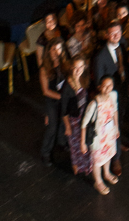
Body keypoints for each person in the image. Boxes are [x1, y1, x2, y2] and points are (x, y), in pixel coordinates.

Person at [81, 74, 120, 196]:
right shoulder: (94, 104)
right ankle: (98, 181)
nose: (108, 88)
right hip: (98, 137)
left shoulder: (113, 96)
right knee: (97, 160)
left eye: (110, 85)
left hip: (109, 134)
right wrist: (83, 143)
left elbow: (114, 111)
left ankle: (107, 173)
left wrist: (116, 127)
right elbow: (84, 124)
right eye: (105, 86)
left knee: (108, 155)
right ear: (99, 87)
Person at [61, 56, 91, 179]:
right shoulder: (67, 87)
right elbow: (63, 110)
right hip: (74, 120)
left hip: (85, 116)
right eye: (75, 67)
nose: (78, 70)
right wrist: (67, 126)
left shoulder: (84, 80)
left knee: (86, 143)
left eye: (81, 67)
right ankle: (77, 166)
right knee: (76, 145)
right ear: (71, 68)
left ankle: (87, 165)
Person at [38, 39, 66, 167]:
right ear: (49, 51)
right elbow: (46, 91)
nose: (56, 52)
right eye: (54, 49)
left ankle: (62, 143)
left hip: (62, 99)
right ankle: (45, 152)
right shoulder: (44, 69)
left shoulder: (64, 64)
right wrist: (62, 97)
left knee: (63, 122)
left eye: (59, 49)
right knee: (52, 127)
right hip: (52, 101)